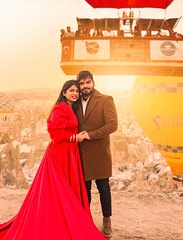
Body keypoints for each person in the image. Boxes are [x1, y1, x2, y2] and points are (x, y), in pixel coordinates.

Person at [0, 80, 107, 240]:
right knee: (59, 190)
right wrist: (76, 137)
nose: (75, 93)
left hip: (70, 153)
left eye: (77, 91)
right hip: (60, 154)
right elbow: (55, 135)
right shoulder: (60, 109)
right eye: (71, 90)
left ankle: (61, 220)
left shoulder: (69, 107)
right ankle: (58, 223)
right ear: (64, 92)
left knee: (63, 190)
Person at [75, 71, 118, 238]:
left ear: (93, 82)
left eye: (88, 82)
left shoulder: (106, 100)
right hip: (81, 154)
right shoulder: (76, 102)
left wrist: (90, 135)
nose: (85, 86)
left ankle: (107, 220)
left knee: (103, 188)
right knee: (84, 190)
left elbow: (112, 125)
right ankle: (85, 220)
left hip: (99, 153)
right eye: (82, 83)